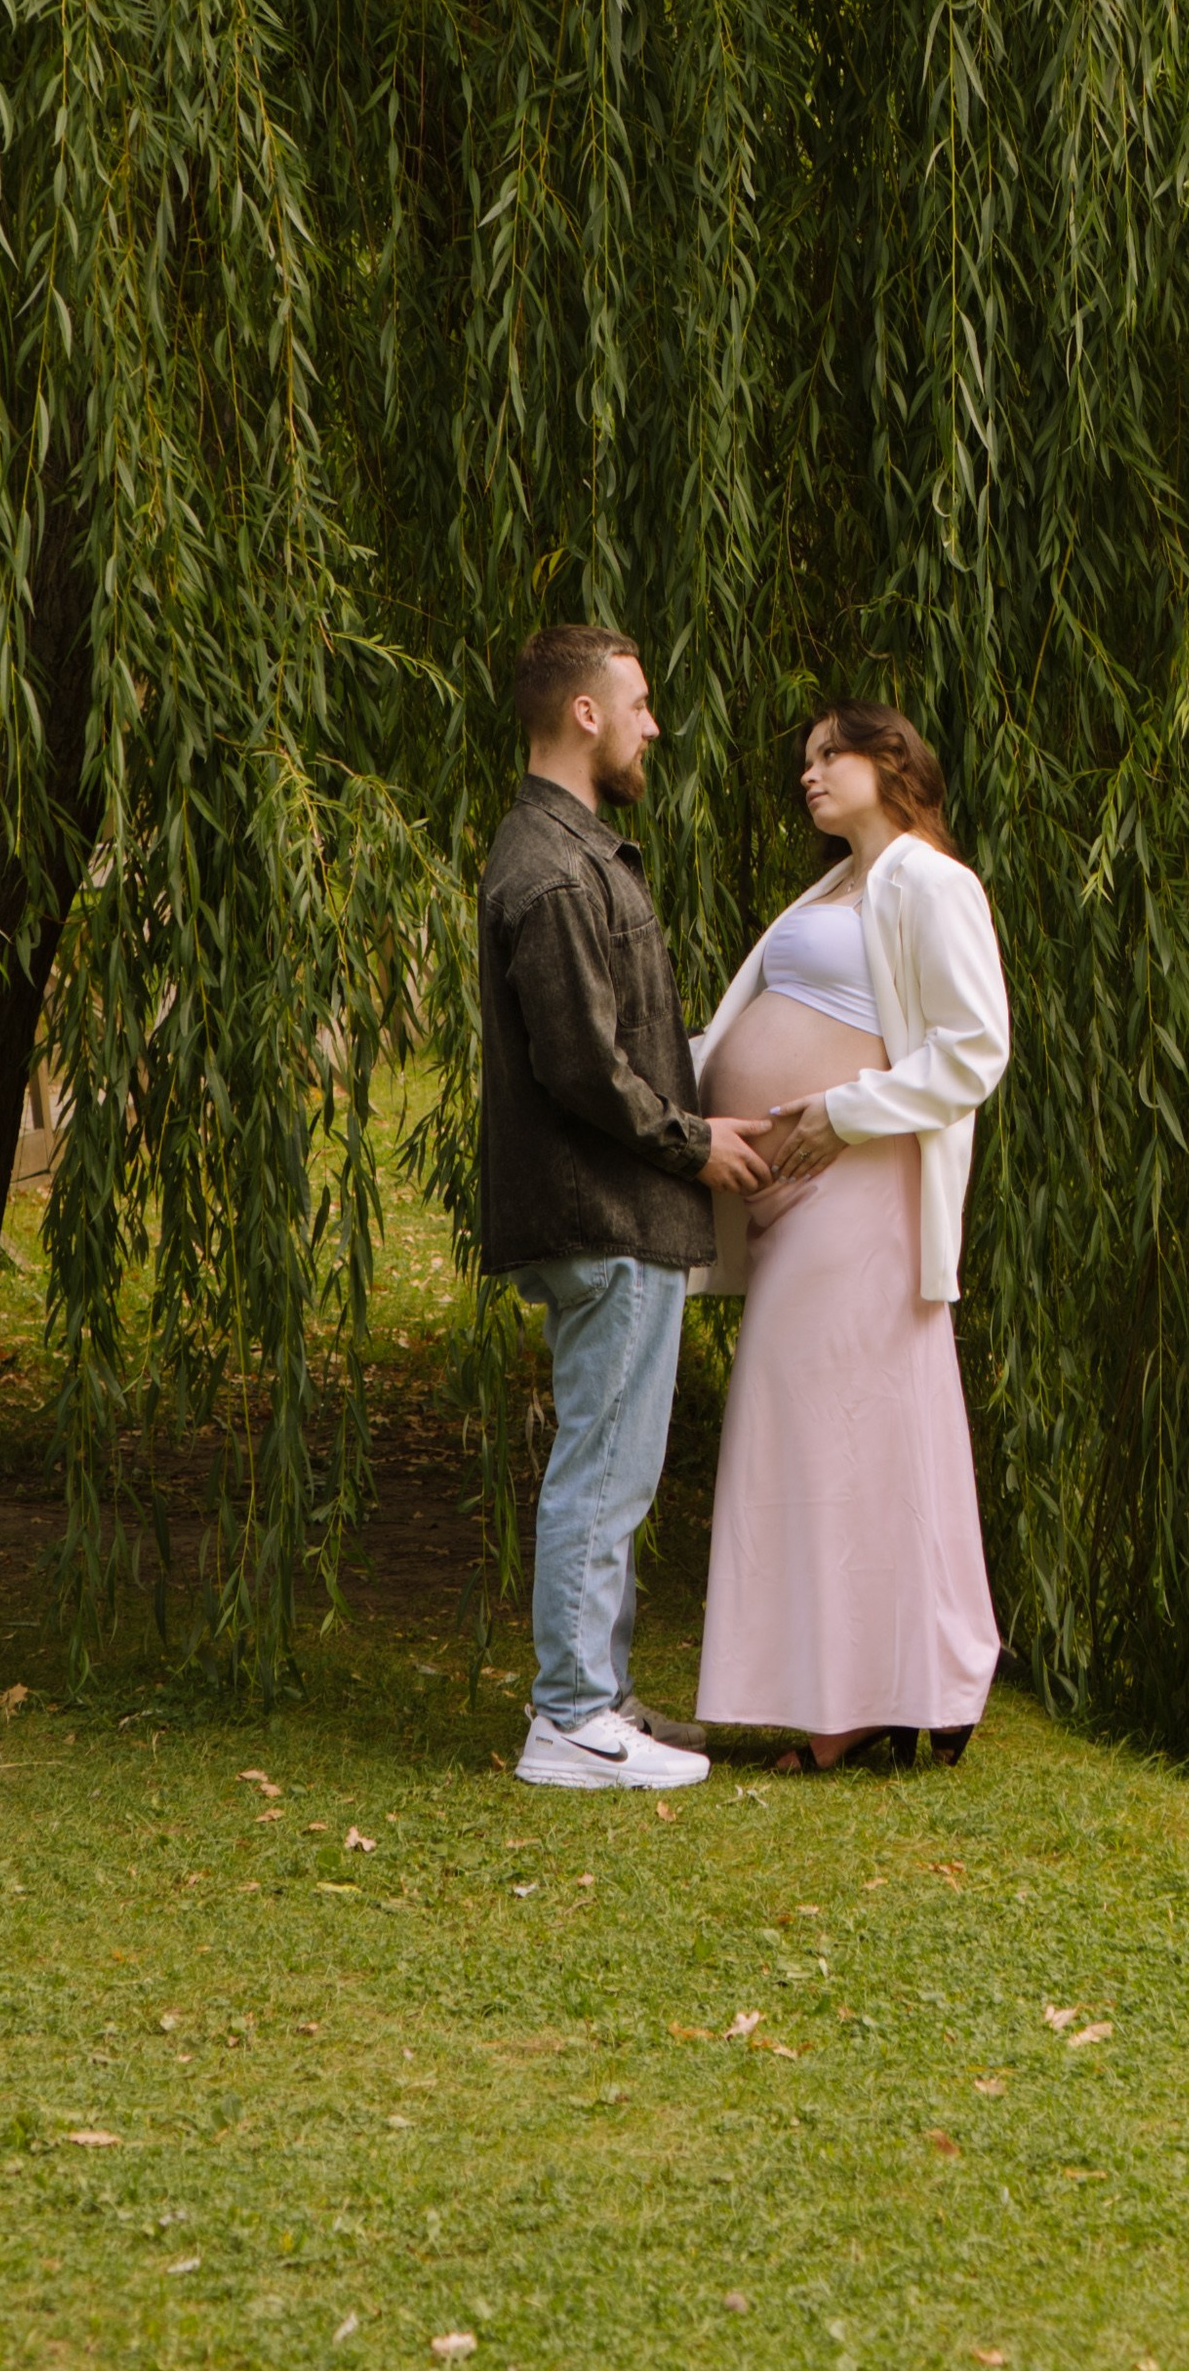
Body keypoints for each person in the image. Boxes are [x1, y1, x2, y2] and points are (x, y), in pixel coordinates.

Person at [478, 623, 775, 1791]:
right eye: (640, 703)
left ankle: (602, 1702)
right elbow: (583, 1066)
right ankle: (567, 1723)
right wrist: (695, 1143)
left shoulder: (572, 852)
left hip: (616, 1214)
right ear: (585, 714)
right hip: (604, 1213)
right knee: (602, 1468)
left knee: (618, 1464)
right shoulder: (550, 870)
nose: (655, 723)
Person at [693, 702, 1010, 1768]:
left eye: (832, 755)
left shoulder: (930, 881)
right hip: (797, 1197)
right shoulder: (833, 885)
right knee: (839, 1432)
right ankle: (898, 1683)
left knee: (835, 1430)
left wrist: (842, 1108)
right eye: (805, 760)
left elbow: (975, 1049)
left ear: (892, 762)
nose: (810, 774)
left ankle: (862, 1701)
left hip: (862, 1189)